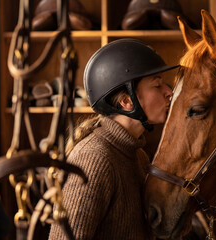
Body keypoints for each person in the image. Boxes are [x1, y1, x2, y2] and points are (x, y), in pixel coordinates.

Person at [48, 38, 178, 240]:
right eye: (157, 85)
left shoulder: (138, 155)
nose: (169, 91)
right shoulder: (93, 159)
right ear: (127, 101)